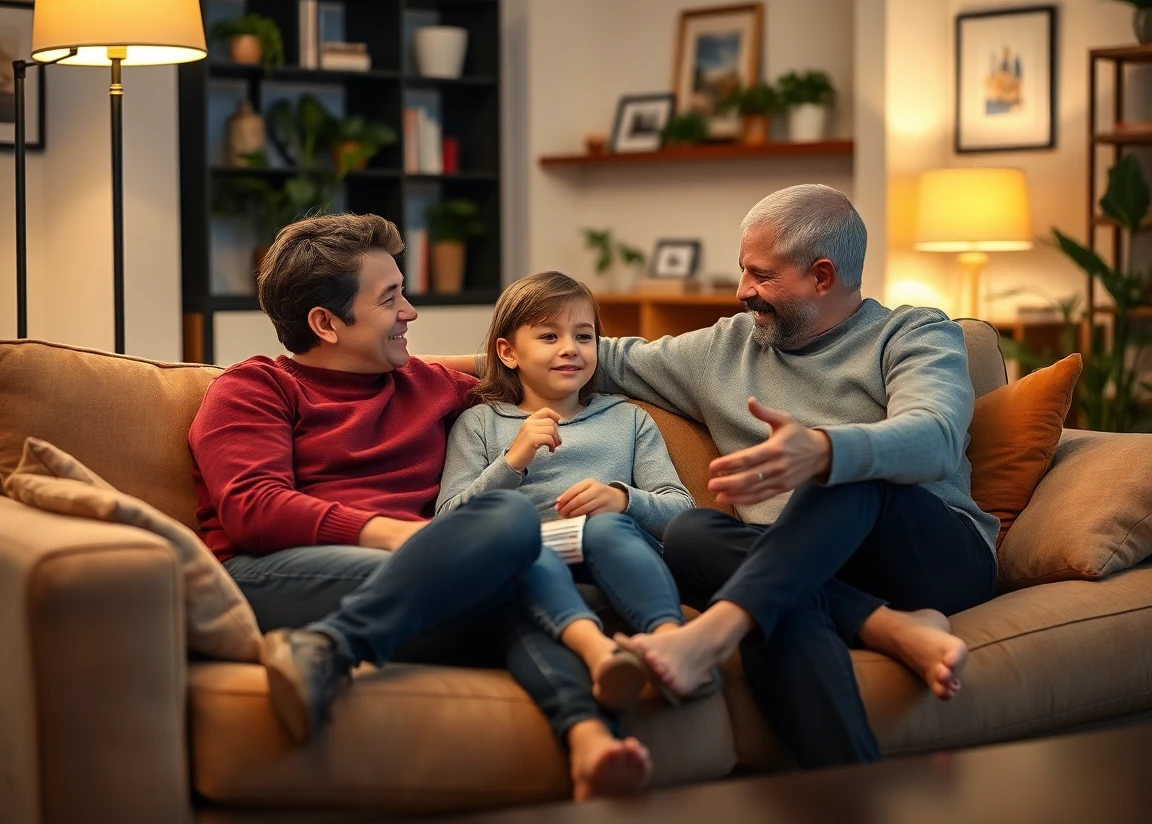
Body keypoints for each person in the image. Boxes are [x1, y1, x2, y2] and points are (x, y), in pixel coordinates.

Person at [431, 184, 998, 769]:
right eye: (742, 270)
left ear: (822, 276)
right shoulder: (727, 346)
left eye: (761, 275)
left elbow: (936, 436)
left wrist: (824, 451)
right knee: (692, 537)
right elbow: (597, 356)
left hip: (928, 554)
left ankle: (711, 634)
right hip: (794, 565)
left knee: (845, 479)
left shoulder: (912, 333)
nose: (741, 291)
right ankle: (853, 767)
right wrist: (405, 367)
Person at [188, 214, 648, 799]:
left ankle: (589, 741)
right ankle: (338, 643)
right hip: (276, 573)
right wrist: (404, 537)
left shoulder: (429, 385)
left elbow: (535, 362)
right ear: (326, 323)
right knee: (507, 528)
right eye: (390, 299)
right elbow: (255, 508)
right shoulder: (254, 389)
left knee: (533, 583)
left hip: (419, 574)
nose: (410, 312)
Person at [437, 272, 708, 722]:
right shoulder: (480, 424)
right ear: (507, 352)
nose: (570, 348)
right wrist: (513, 461)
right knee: (521, 552)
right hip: (534, 560)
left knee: (603, 525)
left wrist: (624, 500)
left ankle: (672, 645)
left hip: (615, 552)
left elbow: (682, 511)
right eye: (549, 335)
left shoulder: (628, 420)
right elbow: (448, 523)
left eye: (584, 336)